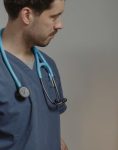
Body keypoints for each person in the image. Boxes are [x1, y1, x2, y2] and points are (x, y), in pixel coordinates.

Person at [0, 0, 68, 150]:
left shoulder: (48, 67)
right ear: (27, 15)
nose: (59, 25)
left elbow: (42, 130)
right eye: (53, 17)